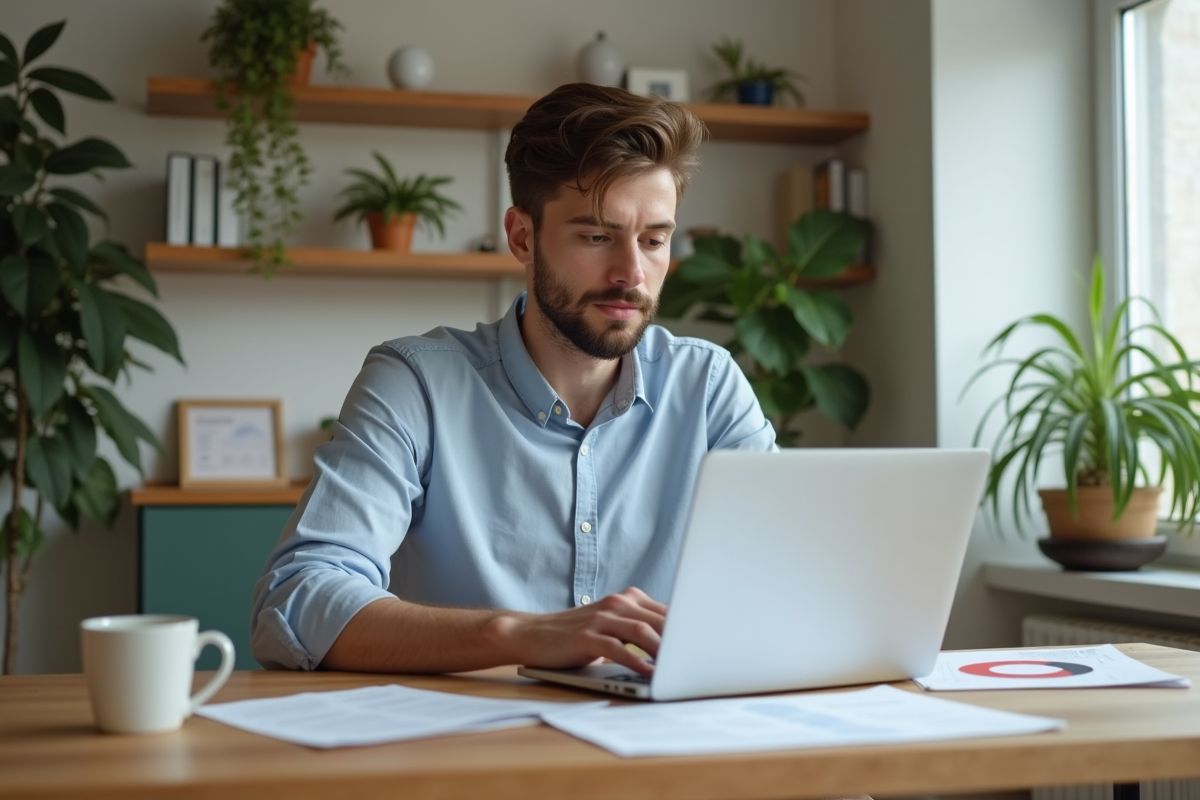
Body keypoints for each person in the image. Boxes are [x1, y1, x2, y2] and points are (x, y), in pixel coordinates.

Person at [250, 82, 776, 676]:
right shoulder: (416, 383)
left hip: (662, 746)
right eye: (597, 237)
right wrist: (519, 635)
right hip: (470, 752)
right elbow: (295, 601)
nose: (632, 273)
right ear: (522, 236)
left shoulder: (707, 385)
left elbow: (797, 571)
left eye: (654, 240)